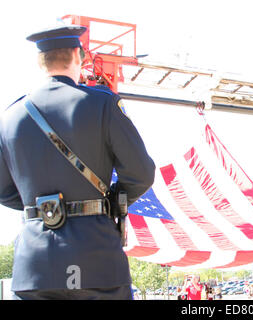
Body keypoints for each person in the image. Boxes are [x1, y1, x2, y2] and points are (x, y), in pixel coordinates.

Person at [0, 24, 156, 299]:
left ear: (40, 62)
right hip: (96, 260)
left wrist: (41, 209)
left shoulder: (9, 117)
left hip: (34, 268)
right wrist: (109, 203)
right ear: (78, 55)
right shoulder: (103, 105)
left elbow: (3, 190)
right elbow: (141, 174)